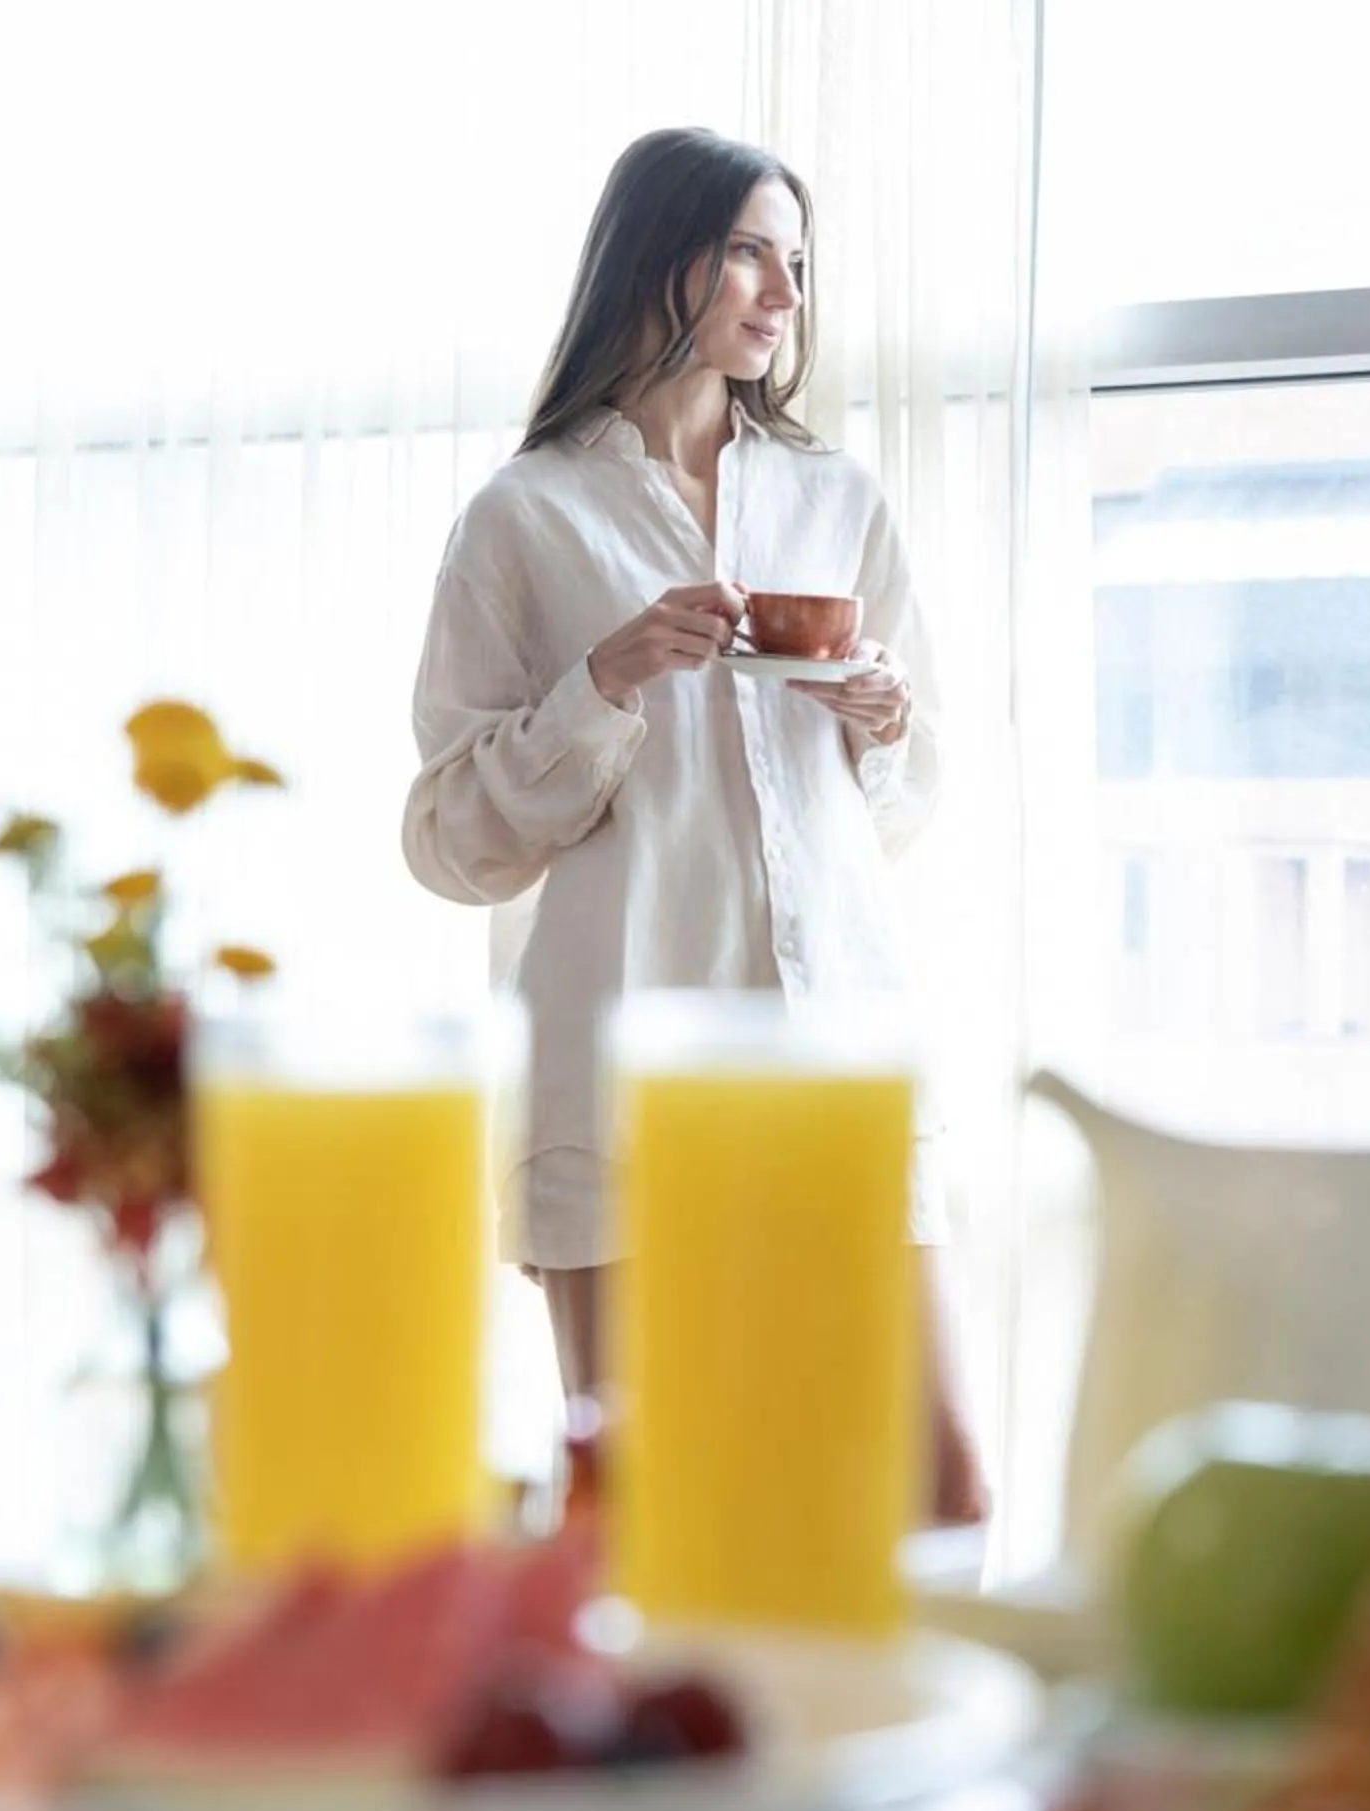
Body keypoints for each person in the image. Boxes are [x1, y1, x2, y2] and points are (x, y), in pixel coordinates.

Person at [401, 126, 985, 1523]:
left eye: (797, 264)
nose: (784, 298)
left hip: (836, 1057)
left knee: (938, 1493)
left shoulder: (839, 500)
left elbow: (906, 807)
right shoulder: (524, 519)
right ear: (657, 258)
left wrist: (883, 728)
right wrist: (603, 682)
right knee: (641, 1524)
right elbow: (450, 842)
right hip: (615, 1080)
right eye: (748, 255)